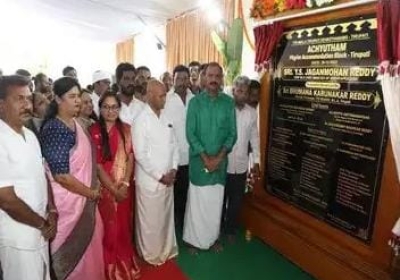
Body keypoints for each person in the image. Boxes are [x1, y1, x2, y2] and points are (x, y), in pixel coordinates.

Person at [40, 77, 105, 280]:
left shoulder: (76, 124)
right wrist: (91, 193)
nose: (77, 101)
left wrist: (94, 187)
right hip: (68, 207)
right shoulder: (54, 129)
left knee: (91, 252)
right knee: (73, 260)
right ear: (58, 100)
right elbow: (61, 177)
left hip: (85, 200)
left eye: (78, 96)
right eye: (72, 96)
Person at [0, 75, 56, 280]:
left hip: (40, 231)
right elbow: (6, 199)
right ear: (1, 105)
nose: (27, 105)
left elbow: (42, 176)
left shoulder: (30, 135)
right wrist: (42, 224)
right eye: (19, 99)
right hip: (18, 238)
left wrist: (52, 210)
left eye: (29, 98)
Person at [183, 62, 237, 253]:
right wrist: (206, 158)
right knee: (198, 202)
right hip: (200, 162)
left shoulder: (228, 103)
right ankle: (193, 241)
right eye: (210, 76)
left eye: (217, 76)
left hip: (220, 164)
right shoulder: (195, 103)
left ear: (221, 79)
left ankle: (212, 239)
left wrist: (219, 157)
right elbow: (191, 133)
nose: (214, 79)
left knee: (215, 203)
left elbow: (232, 134)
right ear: (204, 78)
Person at [90, 92, 141, 279]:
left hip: (124, 189)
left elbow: (130, 158)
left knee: (123, 229)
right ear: (100, 108)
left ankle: (125, 267)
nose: (110, 111)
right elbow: (96, 165)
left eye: (114, 107)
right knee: (108, 230)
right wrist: (113, 190)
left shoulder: (126, 129)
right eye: (106, 107)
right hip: (105, 191)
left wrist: (126, 184)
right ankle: (109, 270)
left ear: (119, 109)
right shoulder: (93, 130)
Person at [132, 79, 179, 265]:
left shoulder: (166, 116)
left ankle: (166, 250)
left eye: (165, 95)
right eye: (161, 96)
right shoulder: (141, 120)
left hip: (169, 179)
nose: (164, 99)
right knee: (150, 223)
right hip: (151, 182)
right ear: (150, 96)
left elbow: (174, 145)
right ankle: (150, 254)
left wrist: (174, 168)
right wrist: (161, 176)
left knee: (165, 220)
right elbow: (140, 155)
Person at [222, 76, 260, 242]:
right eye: (239, 91)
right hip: (223, 163)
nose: (242, 95)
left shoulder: (252, 114)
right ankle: (216, 228)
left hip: (241, 164)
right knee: (221, 198)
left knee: (236, 200)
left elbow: (255, 138)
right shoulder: (224, 109)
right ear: (233, 91)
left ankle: (230, 230)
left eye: (245, 92)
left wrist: (257, 161)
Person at [163, 65, 193, 233]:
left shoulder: (194, 99)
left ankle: (185, 227)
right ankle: (173, 228)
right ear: (173, 80)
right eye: (178, 79)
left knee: (188, 195)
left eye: (184, 78)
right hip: (174, 158)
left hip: (192, 156)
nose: (182, 82)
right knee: (174, 196)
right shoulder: (166, 100)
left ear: (189, 79)